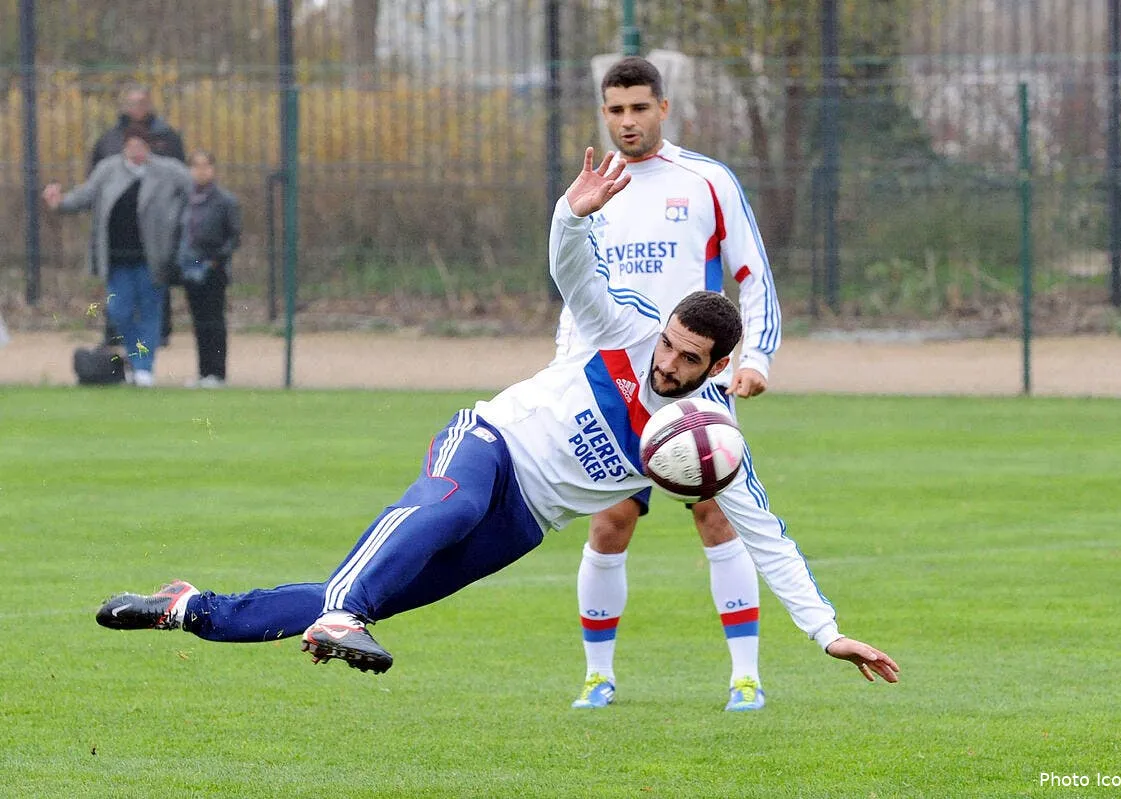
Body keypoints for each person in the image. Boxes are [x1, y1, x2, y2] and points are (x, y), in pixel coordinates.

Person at [95, 148, 900, 693]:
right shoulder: (623, 328)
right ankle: (343, 612)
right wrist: (571, 212)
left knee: (361, 598)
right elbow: (570, 269)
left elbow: (768, 534)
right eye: (671, 344)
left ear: (716, 368)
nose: (669, 362)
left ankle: (187, 606)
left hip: (524, 521)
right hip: (487, 444)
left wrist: (826, 631)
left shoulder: (713, 441)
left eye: (690, 359)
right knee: (442, 507)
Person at [554, 57, 783, 712]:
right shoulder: (591, 193)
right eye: (615, 110)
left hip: (696, 382)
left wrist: (756, 360)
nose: (628, 121)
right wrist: (566, 369)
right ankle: (598, 676)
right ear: (604, 113)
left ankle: (746, 675)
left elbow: (754, 275)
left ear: (664, 108)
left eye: (639, 108)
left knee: (718, 511)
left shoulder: (707, 180)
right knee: (610, 522)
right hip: (615, 383)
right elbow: (576, 296)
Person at [44, 124, 192, 387]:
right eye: (131, 146)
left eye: (141, 146)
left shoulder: (168, 171)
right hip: (117, 258)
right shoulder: (108, 170)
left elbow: (194, 192)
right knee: (119, 311)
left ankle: (144, 369)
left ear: (149, 147)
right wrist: (60, 202)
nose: (136, 151)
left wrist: (179, 225)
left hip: (152, 258)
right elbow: (85, 196)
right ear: (124, 146)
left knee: (150, 313)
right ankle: (137, 359)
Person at [91, 84, 186, 351]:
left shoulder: (167, 138)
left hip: (156, 229)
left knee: (155, 286)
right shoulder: (109, 139)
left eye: (142, 102)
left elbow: (181, 180)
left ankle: (158, 334)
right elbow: (95, 180)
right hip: (120, 230)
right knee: (117, 293)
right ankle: (117, 334)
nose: (138, 108)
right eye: (132, 102)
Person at [177, 150, 242, 388]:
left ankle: (217, 372)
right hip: (190, 266)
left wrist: (216, 259)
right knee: (199, 321)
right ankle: (204, 372)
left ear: (213, 169)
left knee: (214, 321)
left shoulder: (225, 201)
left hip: (214, 267)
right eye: (196, 166)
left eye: (205, 166)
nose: (200, 171)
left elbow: (234, 237)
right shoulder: (186, 199)